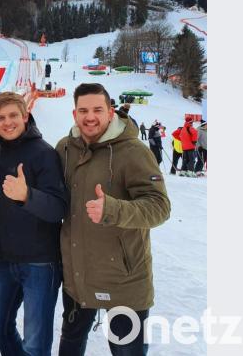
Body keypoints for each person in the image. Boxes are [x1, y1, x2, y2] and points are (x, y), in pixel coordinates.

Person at [56, 83, 171, 355]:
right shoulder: (65, 149)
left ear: (110, 112)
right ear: (74, 114)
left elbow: (159, 207)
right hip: (78, 277)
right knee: (70, 345)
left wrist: (113, 209)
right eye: (83, 110)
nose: (90, 116)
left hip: (124, 281)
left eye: (97, 109)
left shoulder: (134, 151)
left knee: (126, 350)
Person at [0, 92, 68, 356]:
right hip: (7, 259)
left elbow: (58, 208)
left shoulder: (44, 153)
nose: (7, 123)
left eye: (13, 116)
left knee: (36, 341)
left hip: (41, 262)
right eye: (1, 118)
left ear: (25, 116)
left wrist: (26, 196)